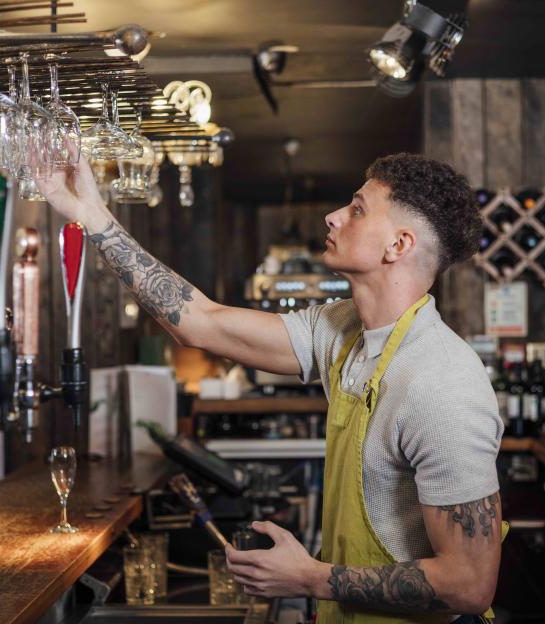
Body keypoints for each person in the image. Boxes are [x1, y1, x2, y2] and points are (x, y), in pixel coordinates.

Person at [37, 148, 504, 623]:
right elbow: (203, 323)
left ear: (398, 246)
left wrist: (310, 578)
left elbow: (469, 586)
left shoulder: (442, 383)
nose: (334, 216)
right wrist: (89, 213)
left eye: (358, 209)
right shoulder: (343, 330)